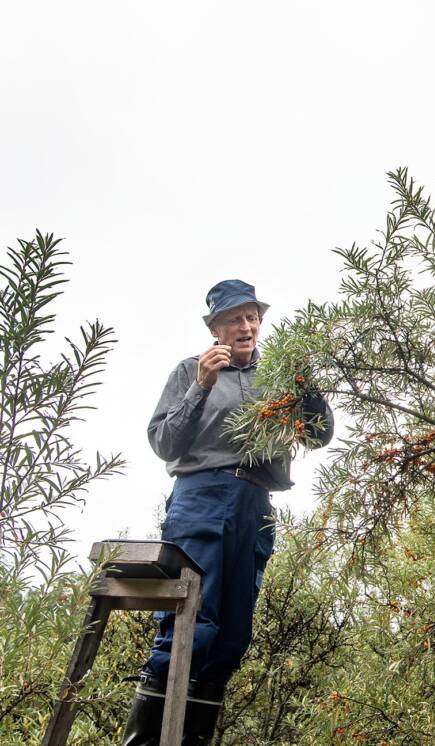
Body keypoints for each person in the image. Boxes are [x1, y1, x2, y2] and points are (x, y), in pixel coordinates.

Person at [121, 279, 334, 745]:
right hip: (201, 497)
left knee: (233, 635)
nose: (246, 326)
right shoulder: (188, 371)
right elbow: (163, 444)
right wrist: (201, 387)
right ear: (215, 328)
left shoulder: (279, 377)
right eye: (235, 319)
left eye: (252, 317)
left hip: (255, 503)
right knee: (191, 623)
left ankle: (192, 740)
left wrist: (310, 387)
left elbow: (318, 436)